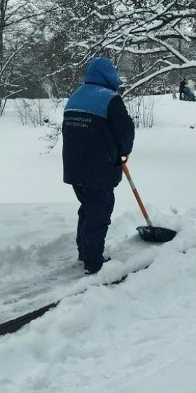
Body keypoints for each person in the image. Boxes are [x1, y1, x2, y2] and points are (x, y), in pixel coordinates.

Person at [62, 57, 135, 274]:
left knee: (88, 209)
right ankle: (93, 263)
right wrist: (124, 151)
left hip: (75, 168)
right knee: (99, 213)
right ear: (109, 75)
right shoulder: (110, 99)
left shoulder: (75, 97)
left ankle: (85, 253)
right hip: (98, 169)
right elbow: (125, 131)